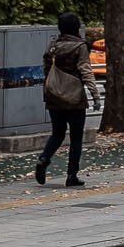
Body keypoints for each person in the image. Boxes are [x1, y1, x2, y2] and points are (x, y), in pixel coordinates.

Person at [36, 12, 95, 188]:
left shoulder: (54, 45)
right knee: (76, 137)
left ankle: (44, 159)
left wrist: (50, 81)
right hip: (74, 97)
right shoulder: (80, 47)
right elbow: (85, 70)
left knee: (58, 133)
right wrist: (95, 94)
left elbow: (46, 64)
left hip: (54, 96)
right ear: (76, 27)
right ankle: (71, 176)